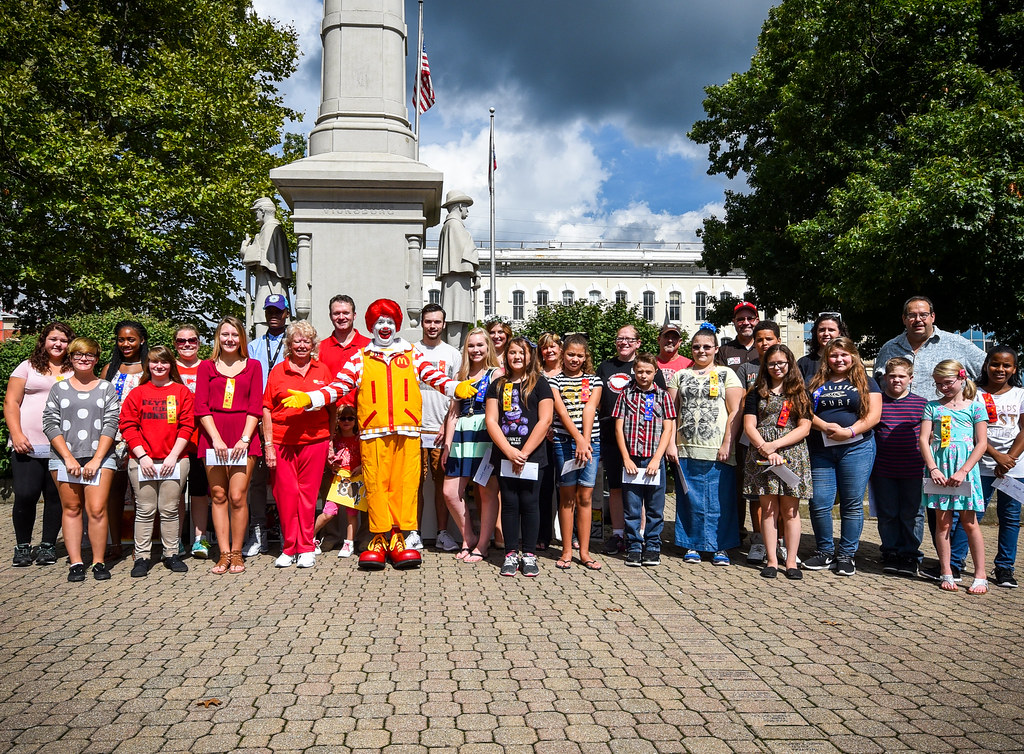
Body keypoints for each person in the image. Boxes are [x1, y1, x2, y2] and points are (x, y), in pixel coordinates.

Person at [282, 299, 475, 571]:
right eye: (379, 323)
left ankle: (399, 537)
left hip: (407, 432)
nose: (384, 327)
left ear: (396, 326)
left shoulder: (410, 353)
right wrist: (310, 397)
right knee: (376, 486)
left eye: (389, 322)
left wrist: (457, 388)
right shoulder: (360, 358)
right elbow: (338, 387)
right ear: (371, 327)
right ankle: (379, 537)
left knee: (404, 486)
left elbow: (434, 377)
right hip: (373, 434)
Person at [42, 338, 119, 582]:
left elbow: (111, 423)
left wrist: (96, 460)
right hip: (65, 459)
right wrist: (67, 458)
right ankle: (76, 562)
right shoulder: (59, 388)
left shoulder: (106, 387)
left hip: (100, 457)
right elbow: (50, 423)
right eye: (78, 355)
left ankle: (98, 561)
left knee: (96, 509)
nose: (84, 359)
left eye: (89, 355)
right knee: (72, 509)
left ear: (97, 358)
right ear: (71, 358)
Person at [804, 337, 882, 576]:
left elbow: (874, 415)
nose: (839, 360)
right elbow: (804, 410)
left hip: (857, 448)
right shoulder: (813, 382)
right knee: (819, 503)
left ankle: (847, 555)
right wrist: (824, 427)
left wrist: (848, 431)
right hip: (821, 449)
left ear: (853, 356)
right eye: (834, 355)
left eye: (843, 355)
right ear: (827, 358)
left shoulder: (867, 382)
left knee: (852, 503)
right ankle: (825, 552)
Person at [668, 325, 743, 565]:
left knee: (721, 500)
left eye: (706, 347)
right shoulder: (680, 375)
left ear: (715, 349)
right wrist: (671, 444)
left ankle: (720, 546)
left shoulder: (726, 374)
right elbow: (671, 412)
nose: (701, 351)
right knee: (691, 500)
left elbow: (735, 412)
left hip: (717, 448)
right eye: (696, 347)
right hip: (687, 446)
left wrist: (727, 443)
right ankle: (692, 544)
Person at [263, 320, 335, 569]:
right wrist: (268, 444)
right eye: (297, 341)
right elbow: (266, 409)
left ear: (313, 345)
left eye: (307, 341)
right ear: (289, 344)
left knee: (307, 496)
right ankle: (288, 546)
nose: (302, 345)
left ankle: (306, 547)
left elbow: (332, 407)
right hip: (283, 442)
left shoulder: (322, 371)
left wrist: (331, 439)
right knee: (285, 495)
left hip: (315, 441)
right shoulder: (277, 371)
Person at [195, 316, 263, 575]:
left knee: (237, 496)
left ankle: (237, 552)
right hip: (214, 436)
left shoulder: (253, 366)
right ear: (217, 338)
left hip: (243, 436)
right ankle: (223, 554)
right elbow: (200, 406)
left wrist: (244, 440)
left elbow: (256, 405)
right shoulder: (206, 367)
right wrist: (217, 439)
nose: (230, 339)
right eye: (225, 335)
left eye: (234, 335)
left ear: (242, 338)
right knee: (219, 495)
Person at [119, 346, 194, 577]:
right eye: (153, 362)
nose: (159, 366)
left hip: (175, 460)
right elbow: (128, 426)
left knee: (170, 509)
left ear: (171, 365)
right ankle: (142, 556)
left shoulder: (182, 392)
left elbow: (187, 425)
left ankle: (171, 553)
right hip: (142, 461)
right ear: (147, 365)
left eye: (163, 362)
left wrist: (173, 456)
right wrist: (142, 456)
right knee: (145, 509)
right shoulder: (137, 393)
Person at [742, 344, 812, 580]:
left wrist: (776, 446)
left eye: (781, 362)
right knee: (768, 509)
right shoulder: (755, 392)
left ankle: (791, 561)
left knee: (790, 510)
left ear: (789, 364)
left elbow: (805, 427)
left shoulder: (801, 392)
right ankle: (771, 560)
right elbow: (749, 425)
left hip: (791, 454)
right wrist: (765, 447)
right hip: (762, 455)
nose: (777, 367)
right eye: (772, 363)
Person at [5, 322, 73, 567]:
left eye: (63, 340)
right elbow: (11, 402)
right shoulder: (27, 367)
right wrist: (17, 433)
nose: (58, 344)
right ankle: (22, 546)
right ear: (44, 341)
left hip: (62, 446)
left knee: (55, 497)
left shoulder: (74, 368)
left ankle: (47, 545)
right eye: (53, 339)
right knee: (25, 494)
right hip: (28, 444)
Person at [486, 337, 554, 577]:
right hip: (506, 454)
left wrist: (524, 453)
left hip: (533, 456)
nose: (517, 357)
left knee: (530, 503)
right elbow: (491, 420)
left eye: (521, 353)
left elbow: (545, 420)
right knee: (510, 504)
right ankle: (510, 553)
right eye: (512, 352)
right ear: (506, 355)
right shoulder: (497, 385)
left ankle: (529, 554)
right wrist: (509, 451)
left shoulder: (540, 384)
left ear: (530, 356)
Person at [919, 360, 989, 594]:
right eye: (938, 384)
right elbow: (923, 440)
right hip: (940, 471)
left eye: (947, 383)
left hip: (964, 472)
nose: (943, 388)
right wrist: (933, 468)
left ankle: (980, 575)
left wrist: (963, 471)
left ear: (961, 378)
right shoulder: (932, 407)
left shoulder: (975, 407)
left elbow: (981, 444)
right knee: (942, 523)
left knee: (970, 523)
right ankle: (946, 572)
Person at [597, 325, 667, 555]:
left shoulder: (649, 368)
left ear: (638, 343)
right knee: (617, 487)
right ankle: (619, 534)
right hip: (612, 436)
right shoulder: (605, 367)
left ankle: (642, 535)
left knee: (643, 487)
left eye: (629, 339)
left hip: (646, 442)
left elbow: (664, 413)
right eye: (620, 338)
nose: (624, 342)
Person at [441, 328, 503, 563]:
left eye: (480, 345)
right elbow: (453, 413)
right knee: (450, 492)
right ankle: (468, 537)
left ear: (488, 347)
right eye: (471, 345)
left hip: (486, 435)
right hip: (461, 436)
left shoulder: (496, 374)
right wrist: (447, 444)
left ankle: (483, 545)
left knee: (487, 493)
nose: (475, 350)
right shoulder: (460, 375)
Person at [614, 353, 676, 567]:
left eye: (648, 371)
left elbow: (668, 428)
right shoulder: (625, 394)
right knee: (631, 506)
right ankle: (633, 545)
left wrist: (657, 458)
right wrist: (625, 458)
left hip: (653, 460)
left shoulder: (663, 396)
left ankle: (652, 546)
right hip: (631, 459)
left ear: (655, 372)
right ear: (634, 371)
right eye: (639, 371)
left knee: (655, 506)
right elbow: (619, 428)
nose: (643, 375)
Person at [871, 357, 928, 577]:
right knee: (887, 513)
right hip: (883, 468)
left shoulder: (922, 404)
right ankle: (891, 551)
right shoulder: (877, 402)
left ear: (911, 379)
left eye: (901, 376)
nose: (896, 380)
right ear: (885, 377)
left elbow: (930, 435)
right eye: (892, 376)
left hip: (914, 468)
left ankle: (910, 554)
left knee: (912, 514)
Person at [549, 334, 603, 570]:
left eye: (579, 356)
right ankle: (566, 550)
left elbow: (590, 407)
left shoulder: (594, 381)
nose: (575, 359)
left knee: (585, 497)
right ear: (563, 354)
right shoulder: (554, 382)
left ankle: (584, 551)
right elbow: (560, 411)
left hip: (591, 444)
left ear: (585, 357)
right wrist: (578, 439)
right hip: (563, 442)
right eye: (571, 354)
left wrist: (585, 440)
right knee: (567, 496)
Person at [242, 293, 289, 558]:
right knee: (256, 481)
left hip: (282, 420)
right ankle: (258, 530)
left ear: (286, 314)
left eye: (278, 311)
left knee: (282, 480)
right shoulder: (252, 346)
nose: (273, 315)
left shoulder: (292, 344)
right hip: (255, 419)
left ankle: (286, 531)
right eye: (269, 310)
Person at [414, 303, 462, 553]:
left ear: (444, 324)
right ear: (421, 323)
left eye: (437, 322)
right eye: (428, 321)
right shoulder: (410, 353)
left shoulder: (453, 354)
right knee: (414, 486)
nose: (432, 326)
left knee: (443, 486)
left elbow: (457, 396)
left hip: (442, 431)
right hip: (414, 431)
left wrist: (446, 425)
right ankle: (415, 534)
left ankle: (443, 533)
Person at [873, 296, 986, 399]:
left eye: (923, 315)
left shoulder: (958, 345)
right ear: (904, 319)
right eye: (912, 315)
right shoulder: (889, 349)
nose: (918, 319)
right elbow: (875, 387)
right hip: (896, 419)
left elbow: (990, 373)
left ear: (932, 317)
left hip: (943, 419)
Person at [734, 321, 781, 564]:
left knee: (783, 491)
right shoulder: (746, 368)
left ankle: (780, 541)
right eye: (760, 339)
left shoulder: (787, 365)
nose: (764, 344)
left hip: (784, 438)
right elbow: (742, 403)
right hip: (753, 437)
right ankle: (759, 539)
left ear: (778, 341)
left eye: (769, 339)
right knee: (757, 492)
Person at [976, 346, 1024, 588]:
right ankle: (956, 562)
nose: (1000, 369)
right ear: (987, 365)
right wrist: (997, 457)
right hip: (980, 466)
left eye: (1007, 365)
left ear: (1014, 369)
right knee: (972, 515)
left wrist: (1009, 460)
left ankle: (1005, 568)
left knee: (1011, 518)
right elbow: (972, 432)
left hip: (1015, 470)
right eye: (995, 364)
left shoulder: (1021, 394)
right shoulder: (973, 393)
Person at [101, 320, 148, 559]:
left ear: (141, 340)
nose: (126, 344)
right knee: (115, 492)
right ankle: (115, 543)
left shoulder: (150, 367)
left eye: (131, 339)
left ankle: (141, 546)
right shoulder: (110, 369)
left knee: (142, 493)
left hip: (142, 436)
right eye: (121, 339)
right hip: (113, 437)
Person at [174, 324, 212, 558]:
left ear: (199, 342)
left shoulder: (208, 367)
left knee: (199, 492)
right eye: (181, 341)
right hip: (175, 442)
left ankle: (200, 539)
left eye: (192, 340)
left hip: (201, 440)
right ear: (175, 344)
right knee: (175, 494)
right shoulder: (169, 368)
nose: (187, 345)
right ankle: (175, 540)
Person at [314, 404, 362, 558]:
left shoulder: (359, 439)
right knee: (329, 512)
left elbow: (366, 458)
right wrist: (331, 466)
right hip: (338, 480)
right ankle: (308, 538)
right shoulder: (334, 439)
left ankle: (349, 543)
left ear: (355, 421)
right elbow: (327, 458)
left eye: (350, 418)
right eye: (342, 418)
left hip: (354, 479)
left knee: (351, 513)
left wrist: (360, 467)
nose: (346, 421)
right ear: (337, 421)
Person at [239, 196, 291, 336]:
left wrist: (244, 250)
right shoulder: (272, 228)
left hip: (269, 283)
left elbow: (259, 256)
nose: (255, 216)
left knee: (262, 317)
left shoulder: (269, 228)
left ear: (262, 211)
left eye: (256, 212)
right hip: (270, 280)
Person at [435, 190, 479, 347]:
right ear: (460, 206)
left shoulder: (452, 225)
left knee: (461, 317)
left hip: (460, 278)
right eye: (466, 207)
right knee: (456, 314)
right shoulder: (454, 225)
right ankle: (455, 354)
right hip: (456, 280)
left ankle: (460, 353)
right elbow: (466, 251)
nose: (467, 210)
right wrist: (475, 269)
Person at [537, 332, 563, 551]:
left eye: (553, 346)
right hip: (541, 438)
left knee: (566, 488)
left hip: (565, 437)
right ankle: (543, 534)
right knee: (543, 489)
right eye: (545, 347)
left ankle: (568, 534)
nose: (550, 351)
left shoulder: (570, 371)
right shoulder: (535, 374)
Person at [797, 313, 849, 384]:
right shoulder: (803, 363)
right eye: (822, 330)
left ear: (839, 333)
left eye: (831, 330)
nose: (826, 333)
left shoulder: (849, 361)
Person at [717, 300, 760, 370]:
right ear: (734, 322)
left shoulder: (764, 348)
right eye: (741, 319)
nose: (746, 323)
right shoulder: (723, 351)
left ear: (757, 321)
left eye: (750, 319)